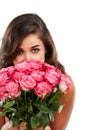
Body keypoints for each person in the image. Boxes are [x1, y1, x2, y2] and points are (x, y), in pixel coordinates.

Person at [0, 13, 75, 130]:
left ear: (46, 49)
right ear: (11, 54)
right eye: (19, 52)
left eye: (35, 50)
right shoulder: (2, 84)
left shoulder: (63, 86)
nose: (28, 59)